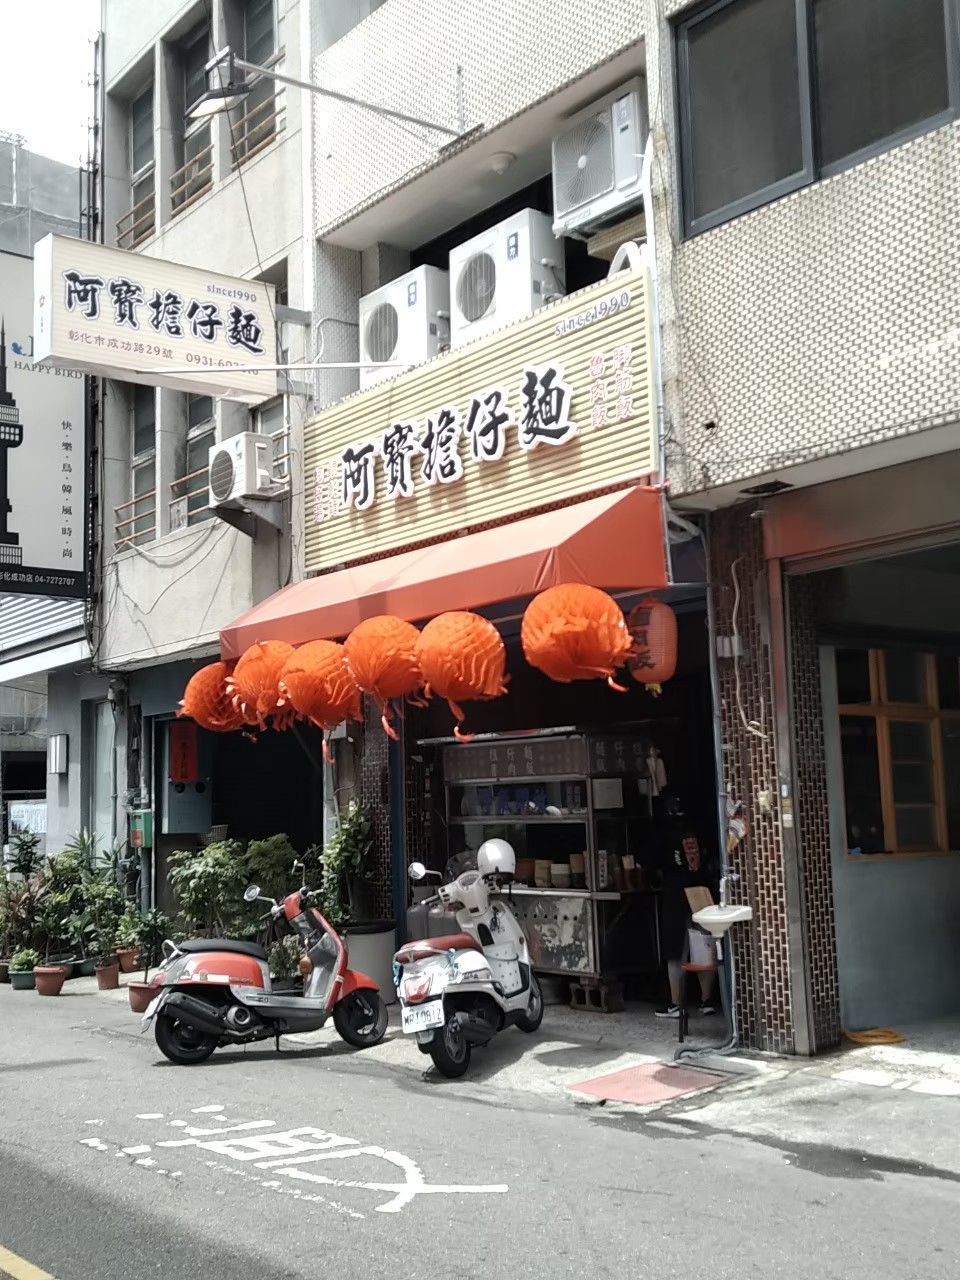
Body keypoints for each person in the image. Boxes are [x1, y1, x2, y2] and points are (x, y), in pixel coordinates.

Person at [652, 792, 717, 1020]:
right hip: (701, 892)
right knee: (704, 946)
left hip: (676, 895)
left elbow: (654, 862)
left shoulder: (664, 832)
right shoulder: (700, 829)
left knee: (676, 950)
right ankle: (707, 1001)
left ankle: (676, 1004)